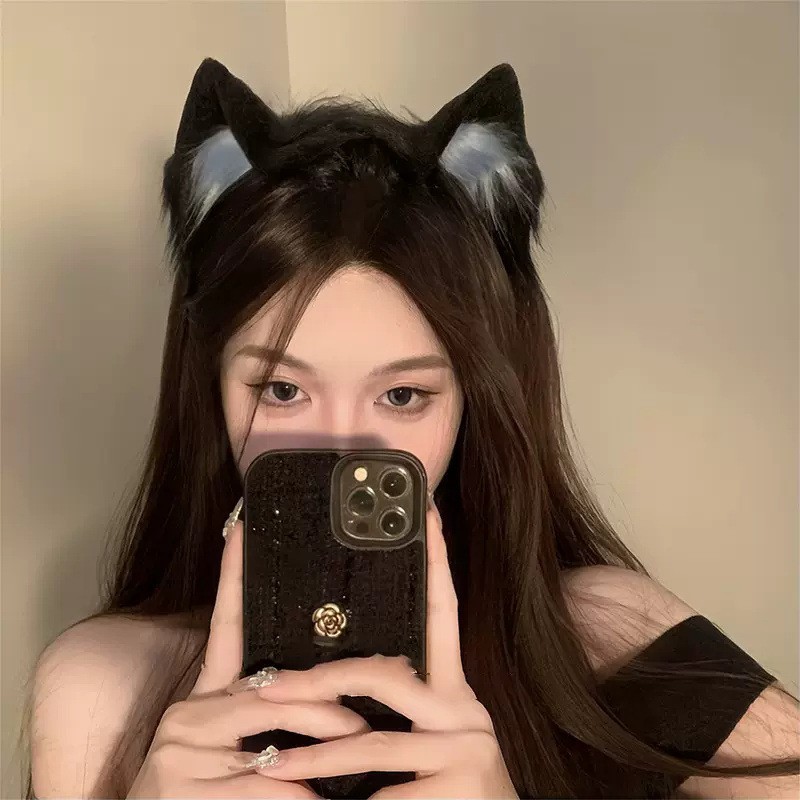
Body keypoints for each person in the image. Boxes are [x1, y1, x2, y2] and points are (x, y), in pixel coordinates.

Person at [21, 58, 799, 799]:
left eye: (402, 396)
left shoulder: (609, 633)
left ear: (472, 402)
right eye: (283, 390)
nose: (343, 451)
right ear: (211, 389)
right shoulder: (102, 690)